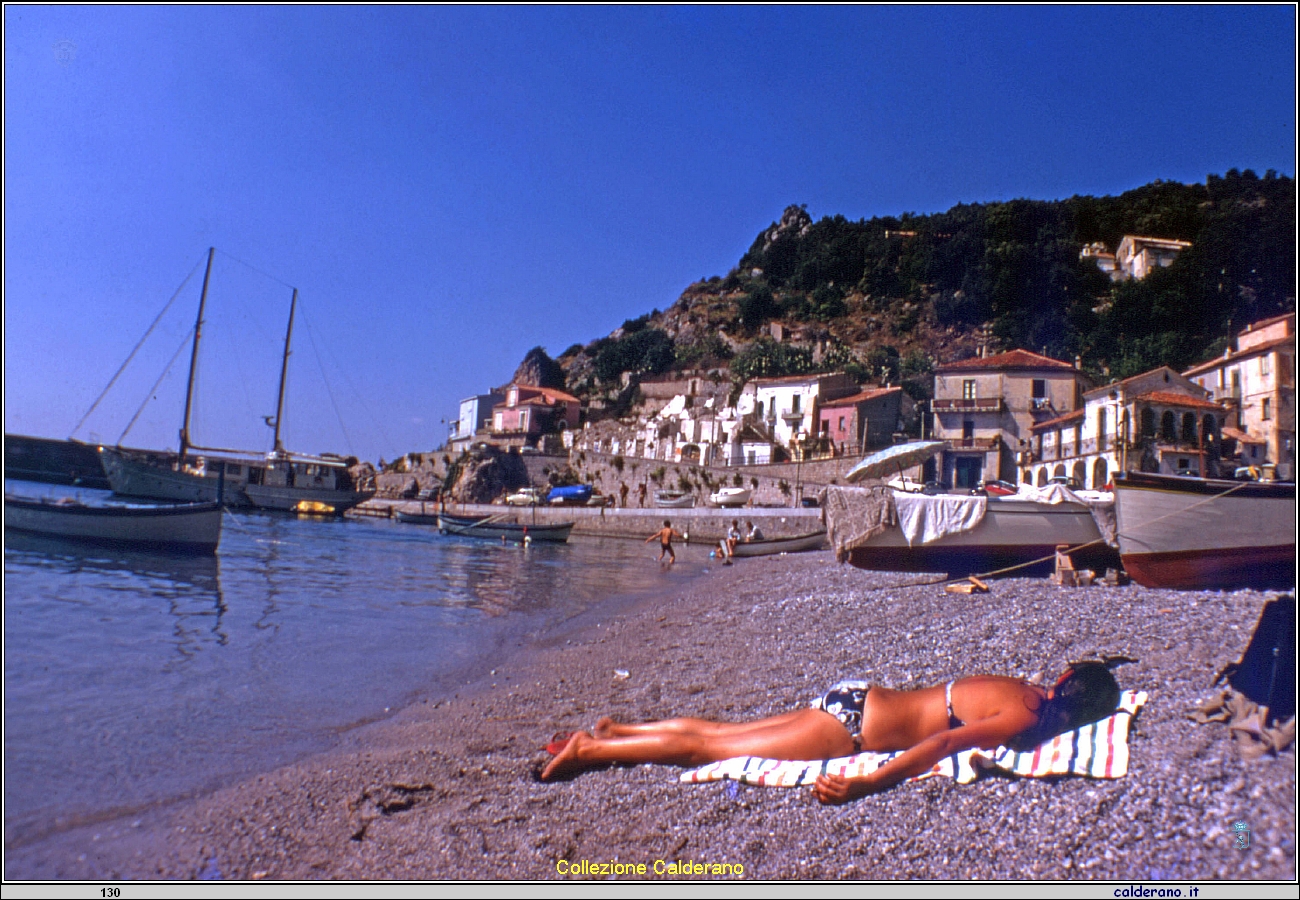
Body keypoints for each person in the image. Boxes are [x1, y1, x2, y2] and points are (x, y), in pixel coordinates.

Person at [540, 663, 1120, 804]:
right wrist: (871, 782)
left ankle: (619, 730)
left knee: (721, 731)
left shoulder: (1019, 686)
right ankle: (591, 750)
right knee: (710, 748)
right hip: (854, 731)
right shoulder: (1028, 717)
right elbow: (942, 745)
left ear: (1064, 677)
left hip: (856, 695)